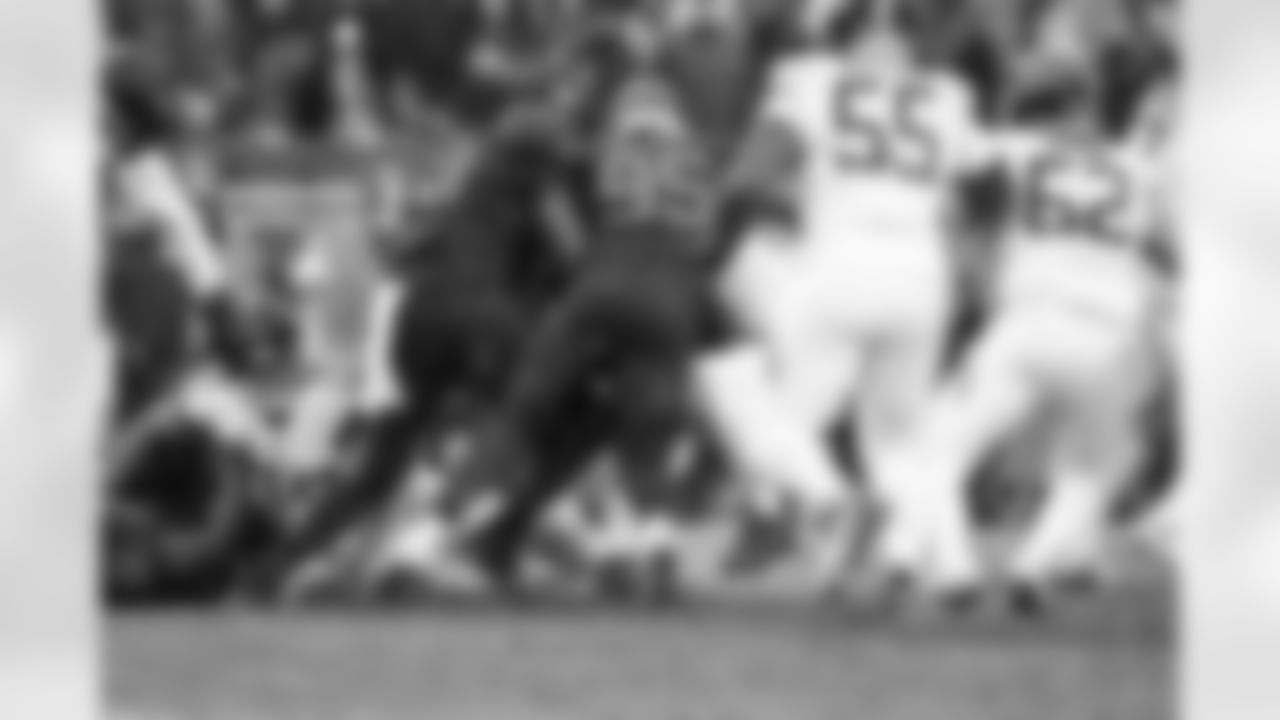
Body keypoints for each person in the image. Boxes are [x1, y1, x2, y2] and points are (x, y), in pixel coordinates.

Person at [696, 2, 991, 591]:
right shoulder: (950, 96)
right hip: (923, 272)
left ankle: (825, 504)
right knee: (897, 442)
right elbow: (987, 193)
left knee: (761, 414)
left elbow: (746, 181)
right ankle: (909, 558)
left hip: (838, 263)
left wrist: (714, 251)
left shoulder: (809, 82)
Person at [876, 67, 1170, 600]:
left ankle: (953, 571)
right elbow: (1169, 252)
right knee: (1097, 467)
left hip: (1030, 324)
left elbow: (954, 197)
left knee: (936, 452)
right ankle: (1032, 567)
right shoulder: (1141, 168)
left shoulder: (1013, 151)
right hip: (1110, 338)